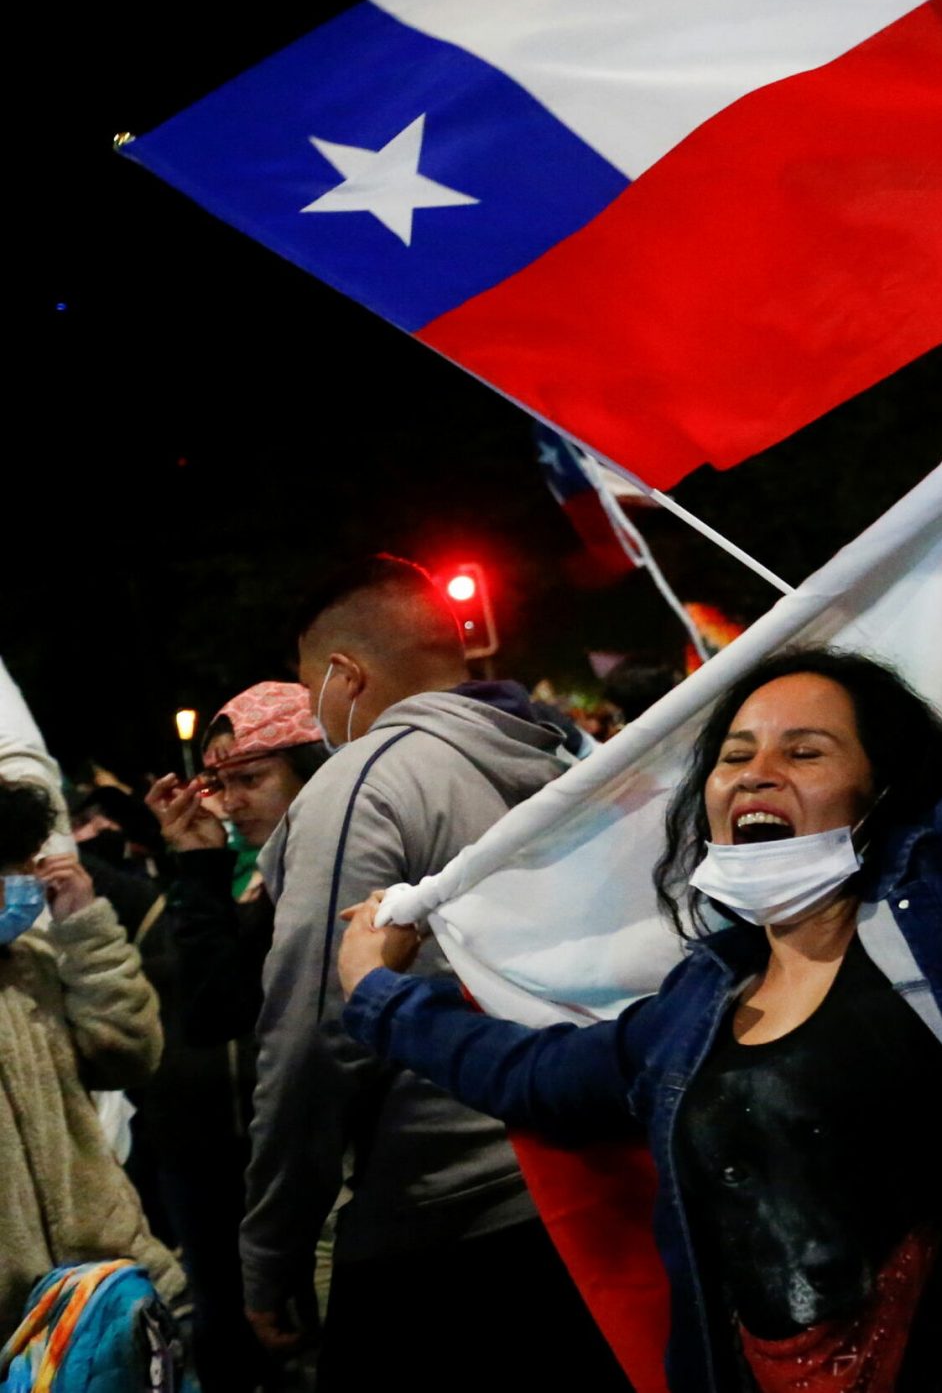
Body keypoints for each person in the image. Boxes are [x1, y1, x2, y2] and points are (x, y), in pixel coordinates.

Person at [329, 276, 942, 1393]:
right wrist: (379, 994)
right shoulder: (683, 1020)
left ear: (878, 787)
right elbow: (530, 1073)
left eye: (806, 751)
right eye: (735, 753)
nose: (757, 771)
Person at [236, 558, 621, 1388]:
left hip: (445, 1217)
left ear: (343, 674)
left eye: (311, 695)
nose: (317, 718)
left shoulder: (362, 781)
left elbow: (312, 1029)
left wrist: (273, 1245)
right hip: (594, 1182)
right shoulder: (561, 758)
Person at [143, 682, 327, 1391]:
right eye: (221, 781)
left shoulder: (328, 872)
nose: (231, 800)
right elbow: (218, 1007)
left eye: (252, 778)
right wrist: (197, 859)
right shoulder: (276, 878)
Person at [1, 767, 186, 1326]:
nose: (19, 884)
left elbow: (129, 1054)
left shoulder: (32, 959)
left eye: (21, 868)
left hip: (101, 1290)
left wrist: (85, 931)